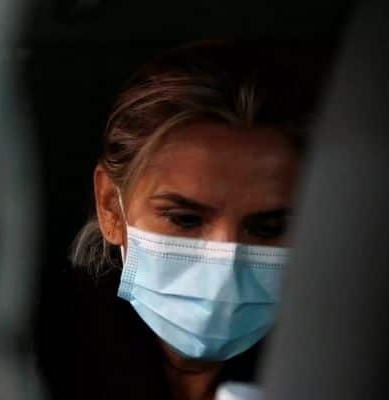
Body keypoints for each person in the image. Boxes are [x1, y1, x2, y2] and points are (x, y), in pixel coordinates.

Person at [68, 40, 329, 400]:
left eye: (269, 228)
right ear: (111, 206)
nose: (225, 267)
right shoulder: (21, 357)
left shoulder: (341, 365)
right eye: (185, 220)